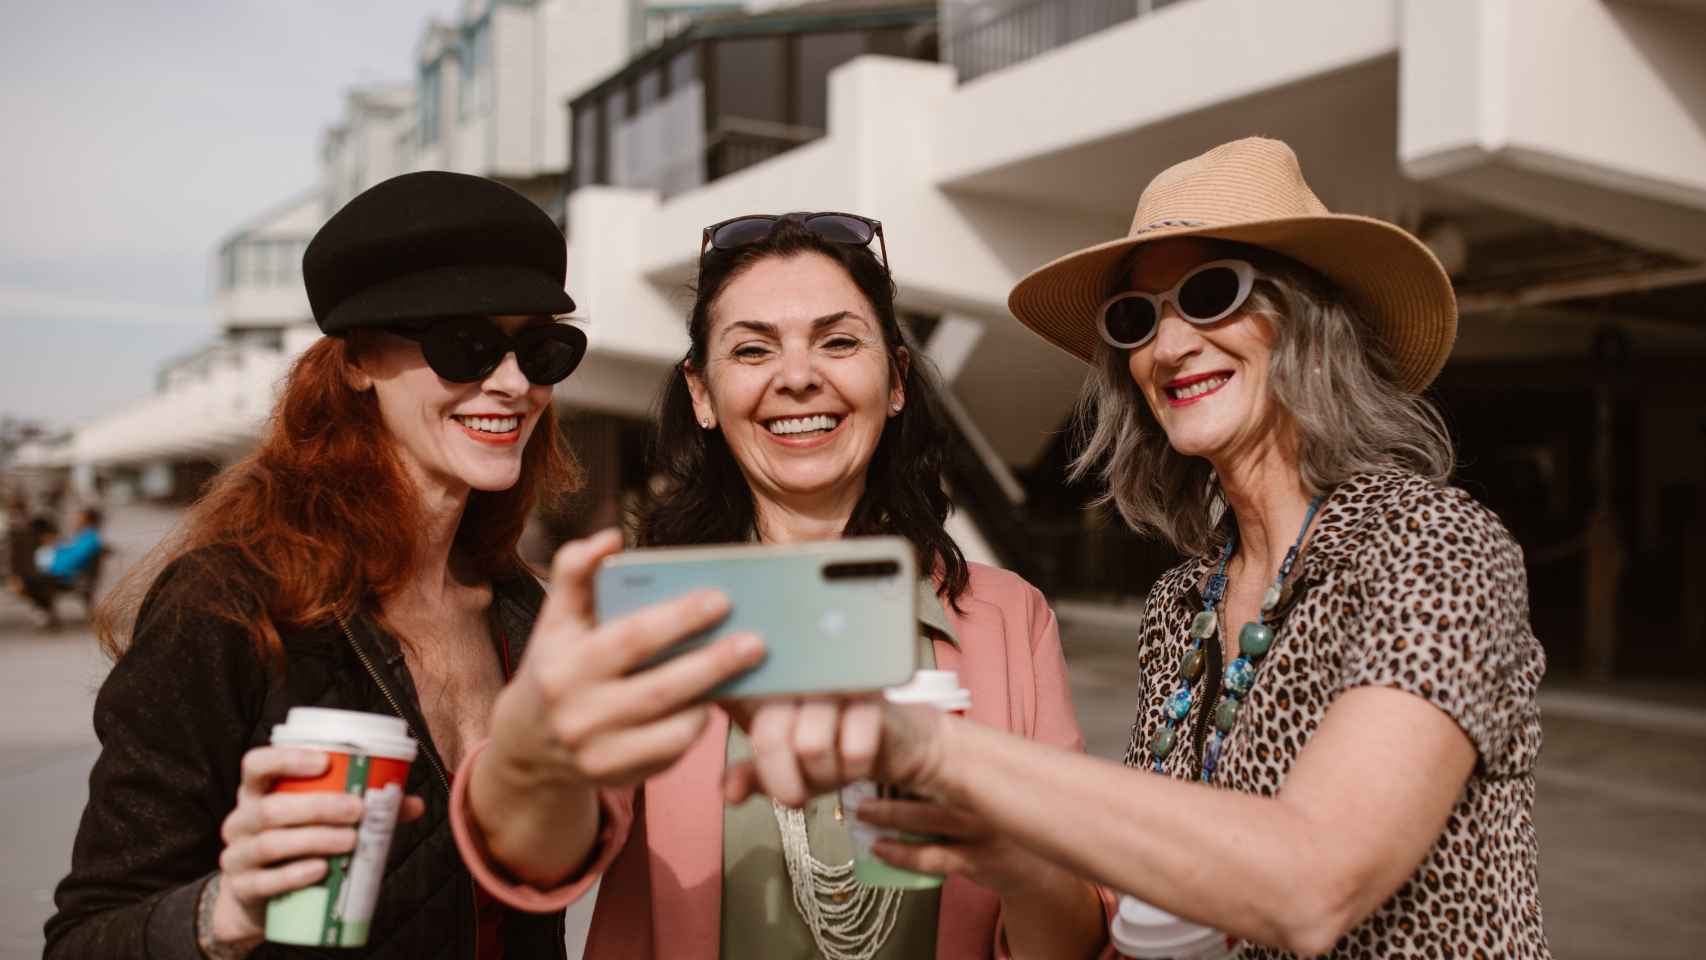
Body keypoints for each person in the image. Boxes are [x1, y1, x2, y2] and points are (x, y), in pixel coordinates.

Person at [724, 139, 1551, 958]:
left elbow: (1313, 882)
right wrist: (1014, 859)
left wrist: (934, 749)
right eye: (1136, 318)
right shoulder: (1181, 608)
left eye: (1211, 293)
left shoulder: (1434, 544)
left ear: (1310, 315)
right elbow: (1156, 894)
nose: (1168, 344)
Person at [447, 213, 1109, 958]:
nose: (797, 377)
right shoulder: (650, 618)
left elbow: (1078, 939)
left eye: (838, 341)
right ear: (702, 394)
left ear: (896, 381)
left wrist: (1016, 863)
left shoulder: (1009, 618)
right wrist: (535, 758)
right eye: (753, 348)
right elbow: (539, 859)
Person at [43, 171, 662, 959]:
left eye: (541, 349)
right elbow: (86, 937)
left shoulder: (527, 615)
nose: (513, 384)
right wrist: (223, 913)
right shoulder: (228, 605)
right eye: (466, 345)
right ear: (360, 359)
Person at [19, 506, 104, 629]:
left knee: (28, 582)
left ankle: (46, 614)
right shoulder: (85, 537)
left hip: (68, 577)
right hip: (67, 575)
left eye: (78, 517)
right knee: (28, 581)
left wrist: (50, 567)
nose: (74, 520)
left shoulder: (89, 538)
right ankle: (45, 613)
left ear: (87, 520)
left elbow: (73, 560)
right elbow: (71, 554)